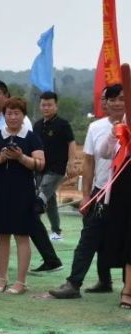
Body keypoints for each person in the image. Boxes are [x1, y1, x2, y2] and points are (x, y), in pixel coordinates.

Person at [50, 85, 122, 299]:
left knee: (123, 239)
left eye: (122, 98)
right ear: (105, 103)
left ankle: (124, 286)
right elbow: (89, 162)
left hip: (125, 193)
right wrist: (87, 194)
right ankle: (75, 283)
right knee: (89, 238)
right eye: (112, 99)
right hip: (101, 191)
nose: (117, 103)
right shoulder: (96, 128)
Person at [0, 97, 45, 294]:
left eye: (17, 113)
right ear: (4, 115)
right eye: (9, 113)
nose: (13, 117)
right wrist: (2, 157)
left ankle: (21, 282)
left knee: (22, 235)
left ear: (24, 115)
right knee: (1, 235)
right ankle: (2, 278)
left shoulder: (32, 137)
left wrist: (21, 157)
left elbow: (40, 163)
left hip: (22, 191)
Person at [100, 85, 131, 309]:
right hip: (125, 188)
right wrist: (115, 134)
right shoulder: (121, 125)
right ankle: (127, 289)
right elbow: (105, 152)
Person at [33, 91, 76, 241]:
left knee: (42, 194)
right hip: (39, 167)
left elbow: (71, 143)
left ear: (56, 106)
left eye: (49, 105)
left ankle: (32, 225)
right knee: (50, 201)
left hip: (57, 168)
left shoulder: (63, 124)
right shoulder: (37, 125)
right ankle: (56, 232)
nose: (46, 108)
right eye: (43, 105)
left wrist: (71, 162)